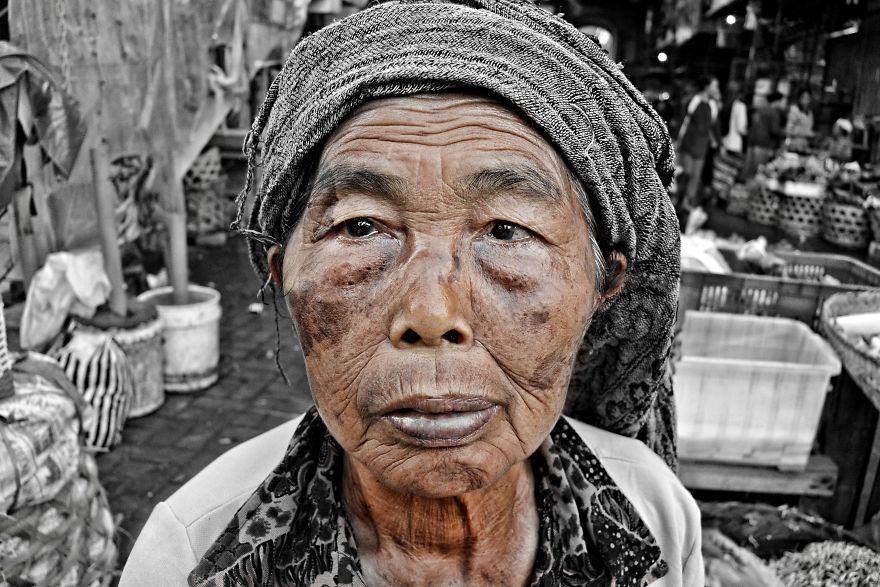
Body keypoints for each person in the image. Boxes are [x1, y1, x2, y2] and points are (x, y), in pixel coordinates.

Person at [120, 0, 702, 585]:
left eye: (507, 230)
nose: (431, 314)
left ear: (605, 285)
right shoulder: (189, 557)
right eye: (360, 227)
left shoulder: (655, 516)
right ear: (281, 276)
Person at [676, 76, 721, 210]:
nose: (716, 89)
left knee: (696, 176)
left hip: (702, 147)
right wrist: (677, 140)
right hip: (689, 144)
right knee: (686, 173)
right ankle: (678, 198)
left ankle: (687, 202)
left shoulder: (713, 105)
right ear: (707, 87)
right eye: (714, 86)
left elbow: (713, 126)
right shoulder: (693, 101)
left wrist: (717, 142)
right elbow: (683, 122)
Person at [743, 92, 784, 179]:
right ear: (777, 101)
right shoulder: (774, 113)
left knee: (749, 169)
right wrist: (783, 132)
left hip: (752, 141)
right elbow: (775, 130)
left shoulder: (759, 110)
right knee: (759, 171)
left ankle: (745, 184)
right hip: (763, 144)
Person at [785, 88, 815, 153]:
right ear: (799, 98)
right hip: (794, 144)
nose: (806, 99)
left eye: (808, 97)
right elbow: (789, 129)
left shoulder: (810, 113)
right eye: (803, 97)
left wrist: (812, 134)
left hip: (805, 145)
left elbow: (809, 129)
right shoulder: (794, 110)